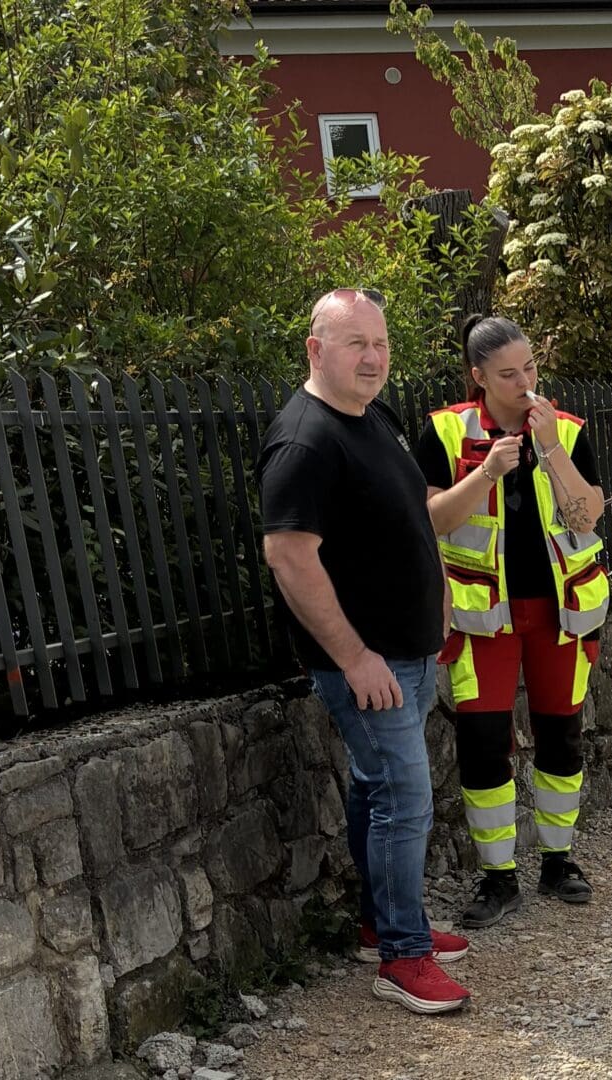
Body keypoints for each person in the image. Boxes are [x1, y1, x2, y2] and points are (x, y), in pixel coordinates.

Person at [258, 288, 472, 1015]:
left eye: (380, 343)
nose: (374, 357)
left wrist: (438, 598)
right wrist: (353, 658)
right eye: (357, 344)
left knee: (376, 789)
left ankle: (381, 926)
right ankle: (402, 958)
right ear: (317, 350)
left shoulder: (370, 415)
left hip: (406, 651)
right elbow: (289, 557)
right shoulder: (305, 441)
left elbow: (411, 517)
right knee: (405, 798)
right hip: (365, 664)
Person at [417, 315, 608, 929]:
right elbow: (435, 521)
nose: (525, 382)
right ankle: (497, 877)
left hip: (560, 612)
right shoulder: (445, 433)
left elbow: (586, 516)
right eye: (508, 374)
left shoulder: (568, 430)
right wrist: (487, 472)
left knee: (561, 734)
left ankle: (559, 861)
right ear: (478, 377)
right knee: (481, 744)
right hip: (480, 618)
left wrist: (550, 447)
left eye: (530, 367)